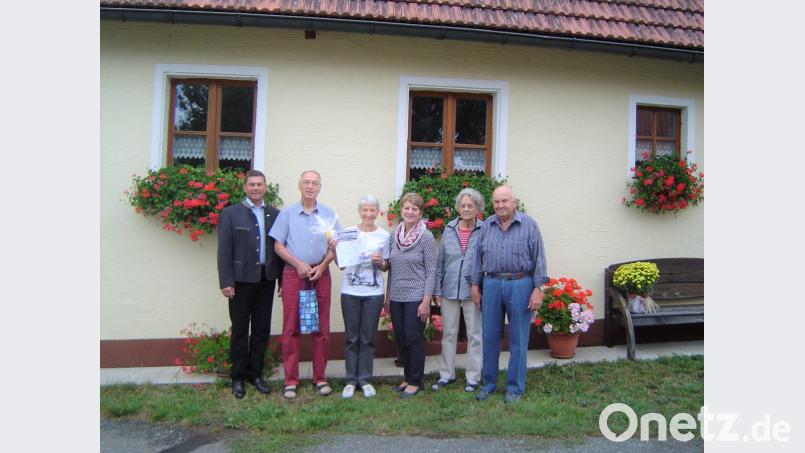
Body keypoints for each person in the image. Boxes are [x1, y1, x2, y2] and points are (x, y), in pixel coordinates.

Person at [468, 185, 548, 404]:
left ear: (514, 202)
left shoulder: (529, 225)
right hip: (491, 283)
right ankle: (489, 384)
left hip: (521, 283)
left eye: (505, 201)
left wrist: (538, 289)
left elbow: (539, 258)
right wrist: (475, 286)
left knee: (518, 339)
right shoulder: (486, 227)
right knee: (490, 337)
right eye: (497, 202)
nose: (501, 205)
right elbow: (476, 258)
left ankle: (514, 388)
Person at [269, 170, 341, 399]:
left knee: (321, 328)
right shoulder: (287, 214)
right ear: (299, 186)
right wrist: (298, 264)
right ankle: (291, 380)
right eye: (306, 182)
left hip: (321, 274)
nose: (310, 186)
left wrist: (322, 266)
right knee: (291, 328)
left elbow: (336, 245)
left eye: (315, 183)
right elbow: (278, 246)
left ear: (320, 187)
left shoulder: (329, 214)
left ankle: (320, 377)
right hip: (294, 275)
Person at [217, 170, 284, 399]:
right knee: (239, 330)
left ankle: (255, 374)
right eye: (252, 184)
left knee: (261, 330)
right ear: (245, 187)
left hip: (267, 279)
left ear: (265, 187)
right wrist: (226, 281)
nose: (256, 188)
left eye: (260, 184)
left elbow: (281, 249)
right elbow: (224, 251)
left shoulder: (275, 214)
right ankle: (238, 377)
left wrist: (282, 280)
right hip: (240, 280)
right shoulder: (230, 213)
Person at [334, 195, 390, 399]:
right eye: (364, 210)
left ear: (377, 212)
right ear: (359, 212)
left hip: (373, 294)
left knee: (367, 338)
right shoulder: (348, 233)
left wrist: (380, 262)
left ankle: (365, 379)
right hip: (350, 292)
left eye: (372, 210)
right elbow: (341, 265)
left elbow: (386, 266)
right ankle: (350, 381)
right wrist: (333, 248)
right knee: (351, 338)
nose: (368, 214)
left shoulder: (384, 236)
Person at [432, 188, 485, 393]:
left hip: (473, 292)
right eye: (462, 205)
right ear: (457, 207)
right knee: (449, 334)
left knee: (475, 335)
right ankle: (446, 374)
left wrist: (478, 287)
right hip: (449, 289)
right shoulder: (449, 228)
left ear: (477, 208)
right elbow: (441, 261)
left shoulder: (484, 229)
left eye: (470, 206)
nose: (466, 209)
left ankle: (473, 377)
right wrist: (437, 289)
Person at [386, 192, 437, 399]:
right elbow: (391, 268)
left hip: (416, 296)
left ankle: (415, 381)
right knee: (401, 338)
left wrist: (426, 300)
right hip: (396, 295)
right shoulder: (394, 235)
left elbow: (432, 271)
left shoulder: (426, 237)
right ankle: (407, 377)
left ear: (420, 212)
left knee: (413, 338)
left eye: (414, 209)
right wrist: (387, 296)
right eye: (407, 208)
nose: (410, 212)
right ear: (401, 210)